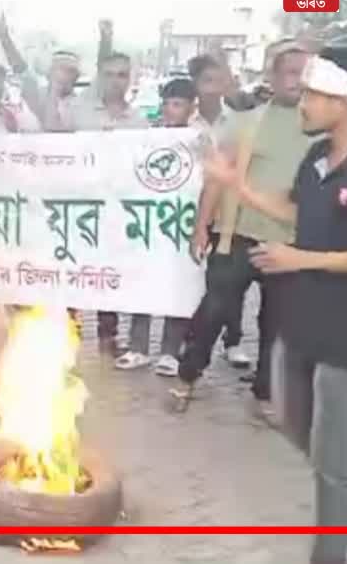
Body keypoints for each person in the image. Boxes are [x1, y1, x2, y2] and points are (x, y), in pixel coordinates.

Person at [205, 46, 347, 563]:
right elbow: (294, 211)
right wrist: (235, 186)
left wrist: (299, 259)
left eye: (313, 93)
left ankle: (329, 553)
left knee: (329, 456)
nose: (303, 102)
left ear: (346, 101)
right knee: (291, 420)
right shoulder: (316, 157)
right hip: (304, 316)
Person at [171, 40, 313, 418]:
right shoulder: (247, 122)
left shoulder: (319, 125)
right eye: (290, 72)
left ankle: (265, 393)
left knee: (278, 322)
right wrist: (202, 227)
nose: (297, 81)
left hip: (291, 243)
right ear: (272, 76)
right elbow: (217, 179)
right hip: (237, 234)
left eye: (305, 73)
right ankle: (186, 377)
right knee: (214, 310)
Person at [64, 53, 153, 364]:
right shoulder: (78, 114)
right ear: (100, 77)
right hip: (79, 207)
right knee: (75, 270)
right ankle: (67, 334)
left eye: (122, 75)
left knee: (109, 273)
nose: (116, 81)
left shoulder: (140, 121)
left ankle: (108, 336)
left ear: (129, 79)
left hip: (117, 210)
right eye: (110, 74)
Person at [131, 77, 198, 377]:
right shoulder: (149, 138)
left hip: (182, 226)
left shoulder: (199, 139)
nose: (170, 110)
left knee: (177, 287)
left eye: (177, 104)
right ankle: (138, 348)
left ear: (190, 107)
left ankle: (170, 351)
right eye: (167, 104)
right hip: (150, 224)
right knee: (142, 284)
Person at [188, 54, 252, 368]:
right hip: (191, 208)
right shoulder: (182, 125)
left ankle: (234, 340)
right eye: (207, 81)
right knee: (204, 280)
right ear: (195, 85)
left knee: (230, 281)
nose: (214, 89)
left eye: (220, 80)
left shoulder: (244, 122)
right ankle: (191, 343)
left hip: (230, 213)